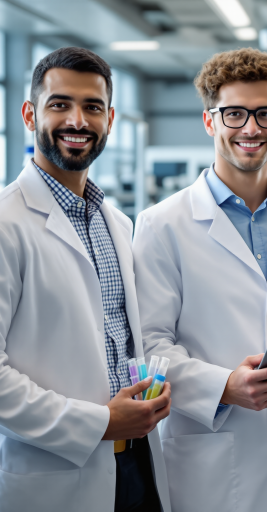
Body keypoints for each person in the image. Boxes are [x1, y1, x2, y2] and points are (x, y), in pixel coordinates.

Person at [132, 48, 267, 512]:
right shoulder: (162, 224)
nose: (251, 129)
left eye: (265, 114)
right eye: (234, 114)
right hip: (208, 462)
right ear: (210, 122)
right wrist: (223, 386)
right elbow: (149, 346)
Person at [0, 47, 172, 512]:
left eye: (92, 107)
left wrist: (151, 391)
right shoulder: (5, 223)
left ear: (110, 119)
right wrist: (98, 421)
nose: (77, 120)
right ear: (29, 113)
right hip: (55, 472)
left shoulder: (117, 222)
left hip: (138, 464)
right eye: (60, 104)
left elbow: (118, 339)